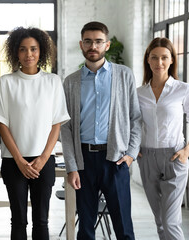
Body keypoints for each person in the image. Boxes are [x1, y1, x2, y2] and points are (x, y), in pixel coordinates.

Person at [60, 21, 142, 240]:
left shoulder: (124, 75)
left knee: (123, 226)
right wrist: (72, 166)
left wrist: (131, 154)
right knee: (85, 228)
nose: (92, 46)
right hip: (83, 161)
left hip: (115, 159)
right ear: (81, 44)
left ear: (106, 45)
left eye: (98, 41)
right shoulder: (70, 82)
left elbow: (136, 119)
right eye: (88, 41)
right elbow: (65, 128)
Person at [0, 27, 70, 240]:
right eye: (23, 49)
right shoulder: (7, 82)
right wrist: (19, 160)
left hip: (44, 161)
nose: (28, 54)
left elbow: (57, 123)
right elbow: (1, 124)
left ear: (41, 51)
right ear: (16, 52)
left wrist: (43, 158)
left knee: (41, 220)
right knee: (18, 220)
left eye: (33, 49)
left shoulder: (52, 81)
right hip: (13, 162)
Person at [137, 37, 189, 240]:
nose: (159, 63)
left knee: (170, 221)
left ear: (172, 60)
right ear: (147, 60)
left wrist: (187, 150)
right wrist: (134, 148)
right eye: (154, 57)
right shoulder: (139, 93)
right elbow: (133, 123)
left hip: (174, 156)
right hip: (146, 157)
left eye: (164, 57)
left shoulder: (183, 89)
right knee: (160, 221)